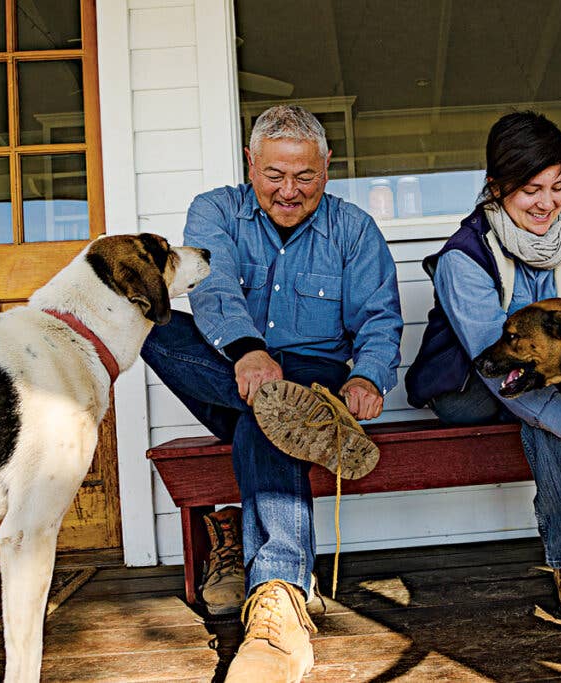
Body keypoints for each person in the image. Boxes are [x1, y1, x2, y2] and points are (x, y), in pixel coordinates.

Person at [142, 105, 403, 682]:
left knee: (266, 419)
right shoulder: (215, 210)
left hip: (317, 374)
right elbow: (212, 291)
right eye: (275, 176)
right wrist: (246, 350)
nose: (290, 191)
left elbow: (381, 319)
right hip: (233, 368)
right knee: (152, 322)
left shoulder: (354, 228)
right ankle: (307, 427)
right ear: (250, 163)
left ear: (327, 168)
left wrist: (367, 377)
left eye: (304, 177)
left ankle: (277, 603)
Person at [405, 111, 561, 623]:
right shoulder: (465, 256)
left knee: (553, 402)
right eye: (530, 190)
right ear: (496, 187)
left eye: (557, 186)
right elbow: (498, 368)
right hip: (468, 388)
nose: (547, 202)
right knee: (546, 403)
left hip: (551, 383)